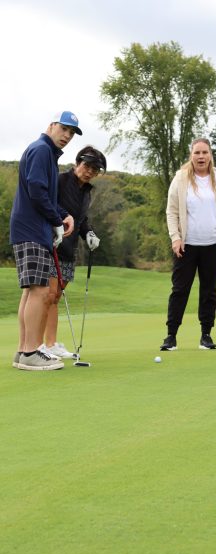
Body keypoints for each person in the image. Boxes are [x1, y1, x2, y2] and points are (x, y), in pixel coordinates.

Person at [9, 111, 82, 371]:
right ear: (51, 126)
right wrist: (56, 220)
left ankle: (23, 350)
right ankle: (31, 351)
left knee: (31, 291)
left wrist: (63, 215)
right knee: (39, 291)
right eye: (64, 129)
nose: (67, 136)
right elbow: (37, 191)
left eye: (72, 133)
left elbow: (46, 197)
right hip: (32, 230)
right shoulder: (41, 150)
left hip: (30, 229)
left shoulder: (46, 154)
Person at [160, 138, 216, 351]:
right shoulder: (180, 179)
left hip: (213, 245)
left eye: (205, 152)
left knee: (209, 290)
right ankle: (171, 336)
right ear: (191, 155)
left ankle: (206, 335)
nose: (201, 156)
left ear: (210, 154)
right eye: (197, 152)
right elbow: (172, 211)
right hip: (186, 246)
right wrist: (175, 237)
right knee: (180, 290)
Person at [41, 146, 106, 359]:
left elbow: (81, 219)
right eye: (87, 166)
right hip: (52, 244)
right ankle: (44, 345)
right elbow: (48, 204)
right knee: (48, 295)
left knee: (56, 297)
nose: (89, 172)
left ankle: (51, 343)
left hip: (69, 250)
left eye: (94, 170)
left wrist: (88, 233)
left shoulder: (86, 192)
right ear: (78, 163)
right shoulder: (60, 180)